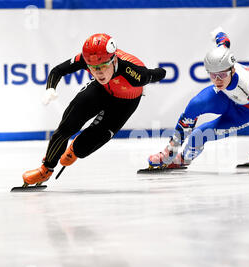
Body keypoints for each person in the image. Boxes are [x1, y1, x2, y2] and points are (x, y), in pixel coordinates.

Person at [22, 33, 166, 185]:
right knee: (66, 127)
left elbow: (155, 74)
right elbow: (58, 70)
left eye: (104, 66)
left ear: (114, 60)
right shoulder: (87, 58)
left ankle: (74, 149)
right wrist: (50, 88)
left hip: (124, 103)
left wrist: (162, 71)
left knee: (81, 150)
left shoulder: (134, 73)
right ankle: (45, 170)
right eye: (93, 68)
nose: (99, 72)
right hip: (100, 89)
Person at [147, 27, 249, 169]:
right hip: (226, 96)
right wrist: (218, 33)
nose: (218, 80)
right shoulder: (223, 61)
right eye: (213, 75)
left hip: (247, 112)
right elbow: (224, 41)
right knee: (196, 104)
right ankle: (170, 151)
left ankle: (183, 159)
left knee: (198, 136)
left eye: (222, 75)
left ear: (232, 70)